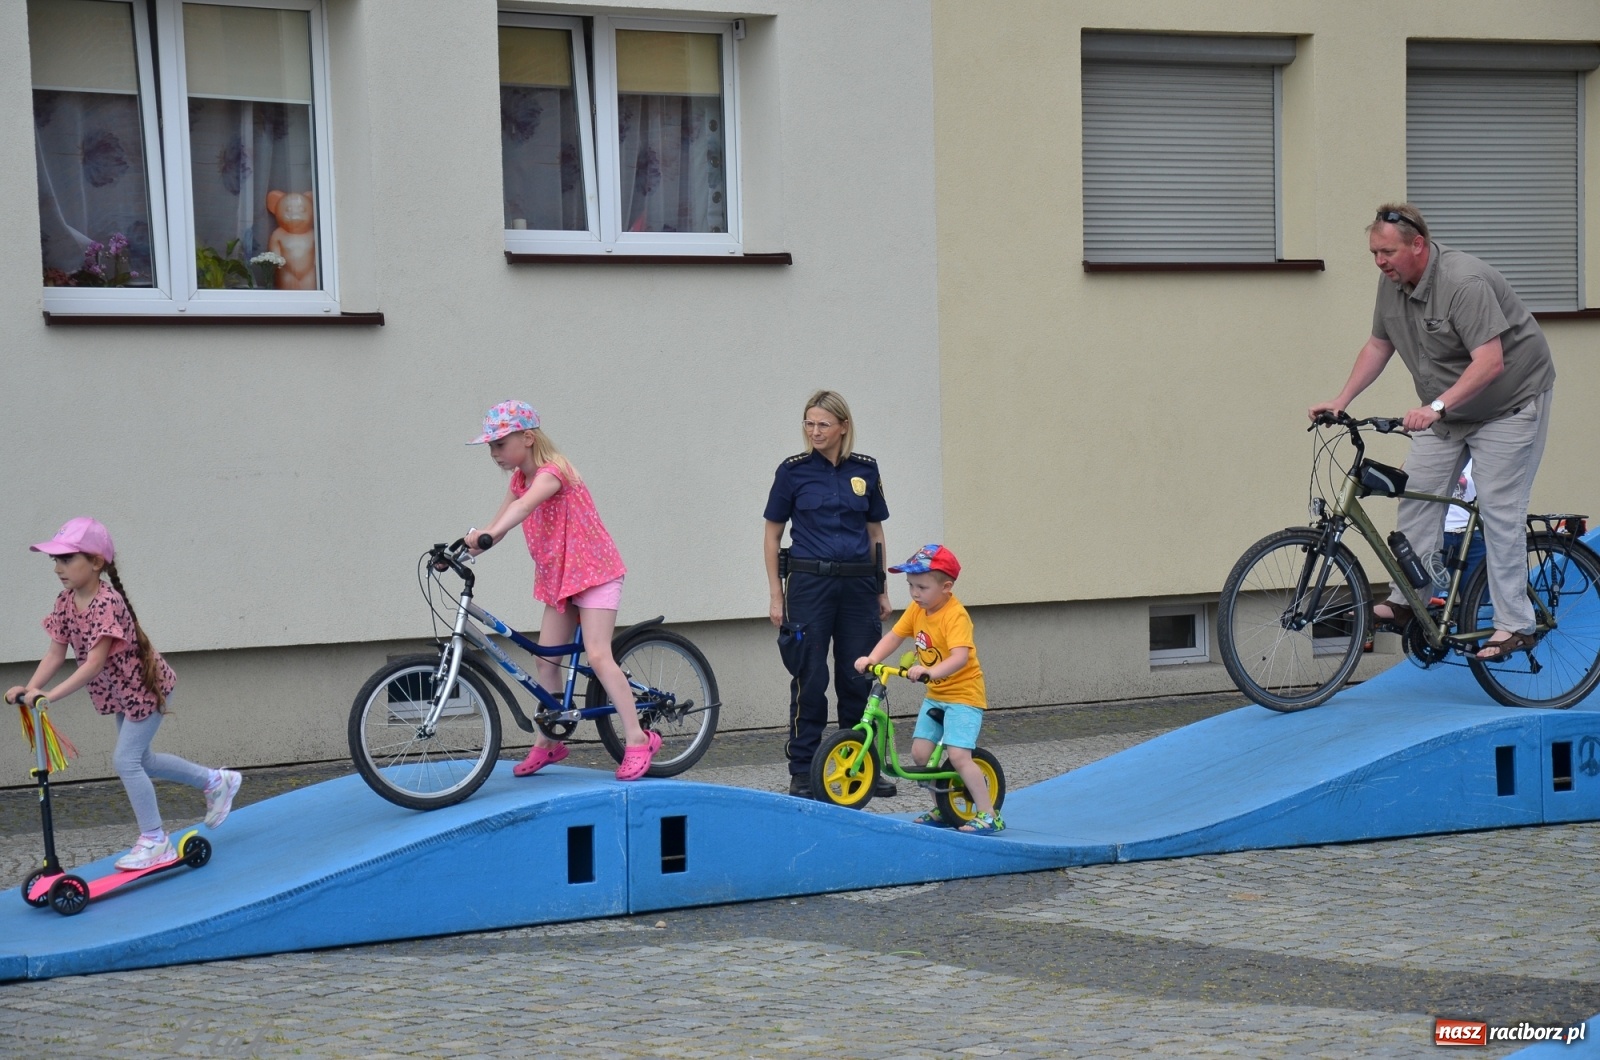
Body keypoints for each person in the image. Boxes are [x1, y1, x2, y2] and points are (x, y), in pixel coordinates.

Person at [1308, 203, 1556, 661]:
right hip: (1448, 410)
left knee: (1500, 511)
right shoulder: (1392, 285)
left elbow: (1491, 362)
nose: (1380, 262)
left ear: (1418, 245)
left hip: (1509, 404)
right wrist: (1342, 400)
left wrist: (1436, 406)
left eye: (1387, 252)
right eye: (1374, 253)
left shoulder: (1464, 282)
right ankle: (1410, 601)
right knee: (1416, 497)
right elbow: (1378, 345)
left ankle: (1515, 625)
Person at [5, 518, 241, 871]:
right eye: (55, 561)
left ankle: (154, 839)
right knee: (141, 759)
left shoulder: (107, 603)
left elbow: (94, 664)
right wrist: (31, 687)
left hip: (145, 689)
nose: (58, 568)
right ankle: (216, 781)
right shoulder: (66, 602)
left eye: (67, 559)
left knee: (126, 761)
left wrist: (51, 695)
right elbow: (56, 653)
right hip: (120, 694)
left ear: (97, 562)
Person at [463, 400, 658, 780]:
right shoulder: (519, 479)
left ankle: (637, 739)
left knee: (599, 656)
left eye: (500, 444)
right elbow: (501, 521)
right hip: (561, 578)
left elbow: (521, 512)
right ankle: (549, 742)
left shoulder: (554, 473)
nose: (494, 453)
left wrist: (491, 533)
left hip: (595, 573)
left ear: (528, 437)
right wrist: (470, 544)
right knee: (545, 660)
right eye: (491, 446)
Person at [763, 390, 894, 798]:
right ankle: (803, 769)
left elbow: (875, 533)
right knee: (811, 679)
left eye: (822, 424)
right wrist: (775, 595)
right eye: (809, 423)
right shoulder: (793, 472)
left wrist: (882, 589)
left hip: (857, 587)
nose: (814, 431)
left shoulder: (866, 471)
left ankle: (862, 766)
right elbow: (772, 534)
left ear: (843, 427)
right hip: (809, 586)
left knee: (859, 678)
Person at [854, 544, 1002, 834]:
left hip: (963, 696)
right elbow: (895, 637)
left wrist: (930, 671)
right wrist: (872, 659)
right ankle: (943, 808)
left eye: (922, 587)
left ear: (946, 587)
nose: (914, 593)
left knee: (958, 756)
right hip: (937, 695)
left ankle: (989, 815)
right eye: (910, 586)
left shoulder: (954, 615)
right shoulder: (917, 609)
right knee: (921, 756)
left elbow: (960, 657)